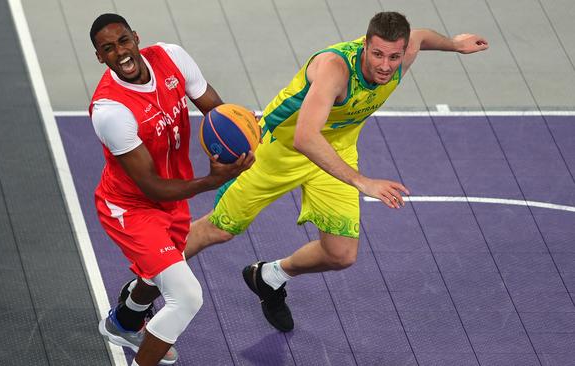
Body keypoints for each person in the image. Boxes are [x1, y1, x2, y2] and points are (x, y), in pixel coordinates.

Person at [185, 11, 489, 332]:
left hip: (335, 151)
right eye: (378, 54)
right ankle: (143, 287)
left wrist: (454, 44)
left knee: (340, 254)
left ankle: (268, 277)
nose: (386, 65)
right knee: (219, 230)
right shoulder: (335, 68)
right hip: (278, 150)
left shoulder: (405, 52)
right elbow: (305, 137)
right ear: (365, 45)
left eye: (394, 56)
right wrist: (362, 182)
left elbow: (423, 36)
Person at [88, 13, 253, 366]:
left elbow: (215, 109)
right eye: (108, 49)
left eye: (123, 41)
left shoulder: (171, 57)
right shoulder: (111, 110)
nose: (121, 52)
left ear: (136, 37)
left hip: (172, 197)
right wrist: (212, 180)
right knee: (186, 295)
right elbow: (151, 186)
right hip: (131, 208)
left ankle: (125, 321)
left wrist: (243, 139)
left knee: (157, 271)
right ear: (100, 57)